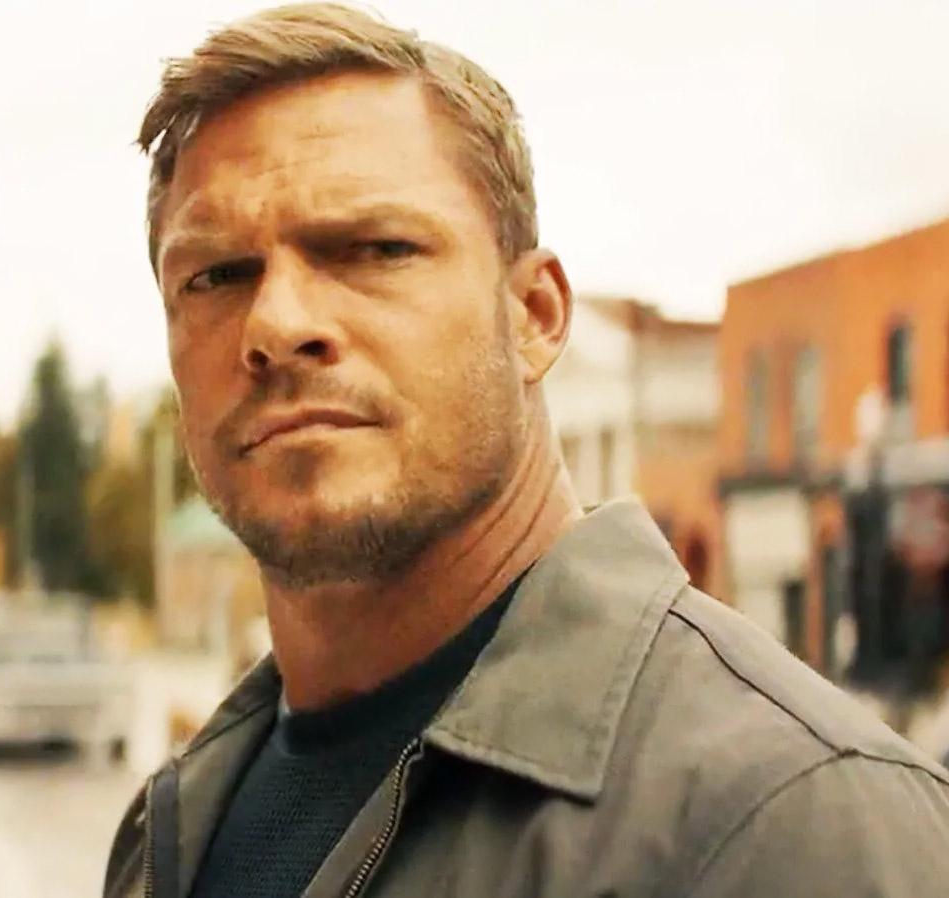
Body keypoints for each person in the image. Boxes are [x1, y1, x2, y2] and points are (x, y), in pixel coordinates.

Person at [104, 5, 949, 896]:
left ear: (535, 317)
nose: (276, 324)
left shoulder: (794, 822)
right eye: (216, 276)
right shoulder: (176, 826)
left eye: (374, 250)